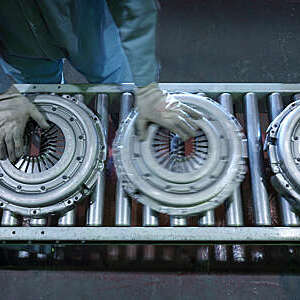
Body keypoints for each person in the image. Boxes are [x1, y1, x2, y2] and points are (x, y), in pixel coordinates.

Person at [0, 0, 201, 162]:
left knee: (126, 91)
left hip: (91, 27)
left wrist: (147, 88)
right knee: (43, 106)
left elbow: (134, 7)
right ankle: (60, 154)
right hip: (17, 41)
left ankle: (125, 140)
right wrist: (5, 94)